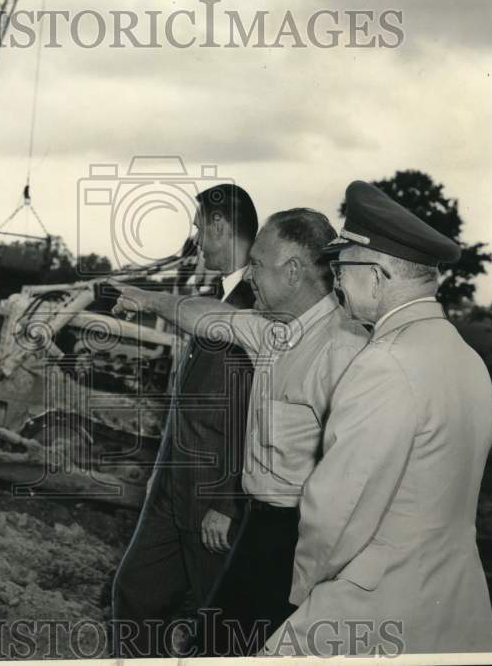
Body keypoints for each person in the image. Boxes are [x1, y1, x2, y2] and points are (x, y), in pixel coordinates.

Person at [110, 208, 369, 656]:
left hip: (301, 533)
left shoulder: (344, 350)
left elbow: (358, 472)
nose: (248, 276)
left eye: (258, 266)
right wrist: (145, 299)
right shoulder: (273, 332)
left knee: (247, 648)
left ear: (292, 272)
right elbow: (209, 317)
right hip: (261, 524)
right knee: (219, 645)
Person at [263, 180, 492, 657]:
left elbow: (338, 509)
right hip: (454, 605)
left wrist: (306, 590)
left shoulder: (383, 364)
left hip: (374, 606)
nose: (336, 284)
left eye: (340, 269)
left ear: (376, 274)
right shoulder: (466, 358)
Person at [110, 184, 258, 658]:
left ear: (219, 226)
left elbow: (252, 412)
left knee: (220, 625)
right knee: (135, 594)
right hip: (174, 489)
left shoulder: (253, 306)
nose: (197, 237)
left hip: (213, 499)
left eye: (199, 227)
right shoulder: (214, 296)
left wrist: (229, 499)